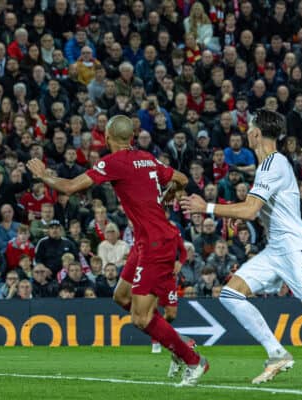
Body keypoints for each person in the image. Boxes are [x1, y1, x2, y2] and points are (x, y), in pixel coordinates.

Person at [27, 115, 207, 387]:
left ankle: (195, 361)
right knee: (121, 296)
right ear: (132, 138)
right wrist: (170, 194)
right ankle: (179, 342)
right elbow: (181, 178)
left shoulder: (114, 162)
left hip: (156, 243)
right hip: (146, 240)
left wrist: (43, 175)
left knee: (140, 318)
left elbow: (71, 187)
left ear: (109, 137)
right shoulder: (146, 157)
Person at [181, 109, 302, 384]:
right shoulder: (268, 165)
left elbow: (252, 210)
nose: (246, 133)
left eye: (249, 128)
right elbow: (257, 210)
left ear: (256, 133)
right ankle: (277, 353)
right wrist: (237, 217)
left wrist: (205, 207)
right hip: (277, 248)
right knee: (231, 294)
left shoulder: (272, 164)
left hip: (296, 247)